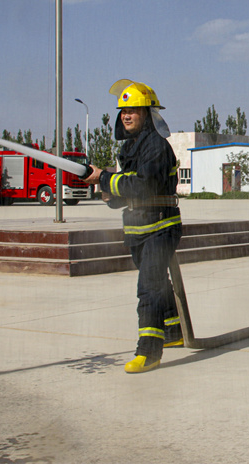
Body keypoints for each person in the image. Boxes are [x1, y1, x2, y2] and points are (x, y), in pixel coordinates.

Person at [83, 80, 183, 374]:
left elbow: (142, 185)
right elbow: (128, 191)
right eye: (123, 111)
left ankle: (149, 351)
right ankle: (175, 332)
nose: (127, 116)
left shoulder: (155, 146)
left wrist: (104, 179)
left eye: (134, 111)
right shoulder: (132, 147)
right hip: (139, 227)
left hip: (161, 227)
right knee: (157, 283)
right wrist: (109, 193)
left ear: (148, 114)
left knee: (148, 288)